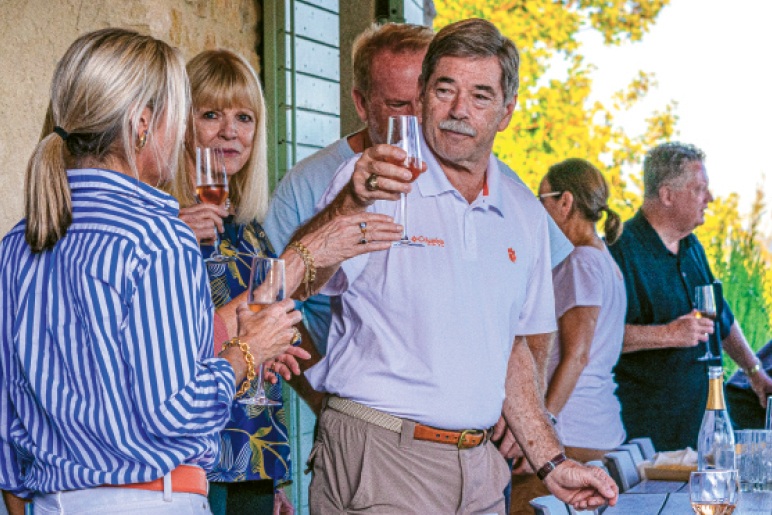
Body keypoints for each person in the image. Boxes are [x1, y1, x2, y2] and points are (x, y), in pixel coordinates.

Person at [293, 19, 617, 514]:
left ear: (507, 111)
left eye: (481, 95)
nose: (459, 110)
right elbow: (298, 280)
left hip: (480, 470)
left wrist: (550, 460)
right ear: (422, 96)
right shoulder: (377, 179)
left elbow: (512, 350)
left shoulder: (523, 210)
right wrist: (347, 207)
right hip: (383, 457)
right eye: (445, 89)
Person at [0, 28, 303, 515]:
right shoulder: (159, 236)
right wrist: (249, 351)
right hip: (149, 499)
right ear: (142, 124)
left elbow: (8, 420)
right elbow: (175, 411)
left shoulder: (18, 241)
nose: (184, 132)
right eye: (184, 115)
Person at [263, 21, 573, 411]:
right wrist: (321, 400)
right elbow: (273, 294)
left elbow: (533, 310)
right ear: (361, 104)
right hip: (367, 415)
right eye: (397, 105)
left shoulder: (499, 183)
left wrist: (528, 411)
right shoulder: (315, 181)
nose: (416, 118)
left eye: (425, 98)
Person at [164, 49, 404, 515]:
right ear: (180, 123)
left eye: (244, 117)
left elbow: (265, 332)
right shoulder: (164, 221)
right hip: (194, 457)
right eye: (210, 114)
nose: (230, 131)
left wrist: (267, 474)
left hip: (250, 452)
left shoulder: (249, 226)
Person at [608, 142, 772, 451]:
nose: (709, 198)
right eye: (699, 189)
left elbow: (719, 318)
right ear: (667, 195)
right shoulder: (620, 253)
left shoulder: (692, 247)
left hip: (705, 428)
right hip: (650, 439)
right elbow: (593, 339)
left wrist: (755, 372)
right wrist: (667, 334)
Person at [509, 159, 628, 514]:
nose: (537, 208)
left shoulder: (581, 263)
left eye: (540, 198)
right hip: (598, 423)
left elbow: (578, 354)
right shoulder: (606, 261)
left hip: (574, 431)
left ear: (565, 202)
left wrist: (542, 429)